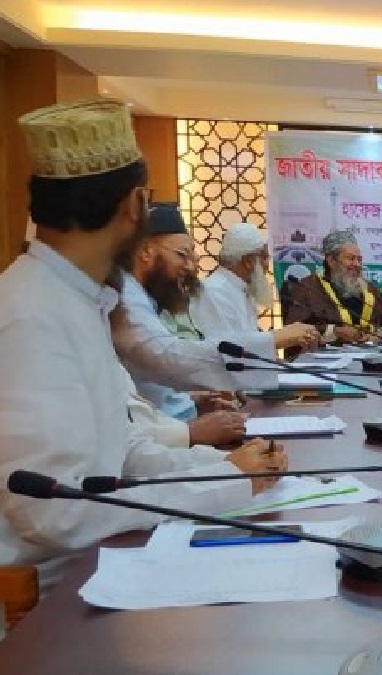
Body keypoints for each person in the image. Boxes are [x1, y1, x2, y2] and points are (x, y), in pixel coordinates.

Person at [0, 98, 285, 589]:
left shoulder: (80, 298)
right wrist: (221, 485)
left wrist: (222, 466)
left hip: (106, 562)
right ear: (135, 205)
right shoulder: (30, 312)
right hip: (55, 597)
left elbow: (122, 449)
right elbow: (56, 512)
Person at [111, 204, 318, 418]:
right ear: (145, 251)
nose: (190, 268)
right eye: (182, 255)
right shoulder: (126, 295)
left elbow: (152, 380)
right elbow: (168, 357)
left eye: (192, 258)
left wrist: (193, 401)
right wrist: (274, 339)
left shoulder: (145, 296)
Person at [190, 222, 317, 343]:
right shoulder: (213, 291)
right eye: (264, 257)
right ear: (248, 261)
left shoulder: (241, 288)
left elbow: (248, 340)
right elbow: (227, 346)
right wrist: (281, 337)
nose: (267, 265)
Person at [283, 229, 382, 344]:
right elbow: (293, 330)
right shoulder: (308, 288)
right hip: (324, 356)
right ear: (331, 261)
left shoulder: (371, 290)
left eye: (359, 260)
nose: (357, 264)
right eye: (351, 258)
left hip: (371, 356)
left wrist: (380, 335)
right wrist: (335, 332)